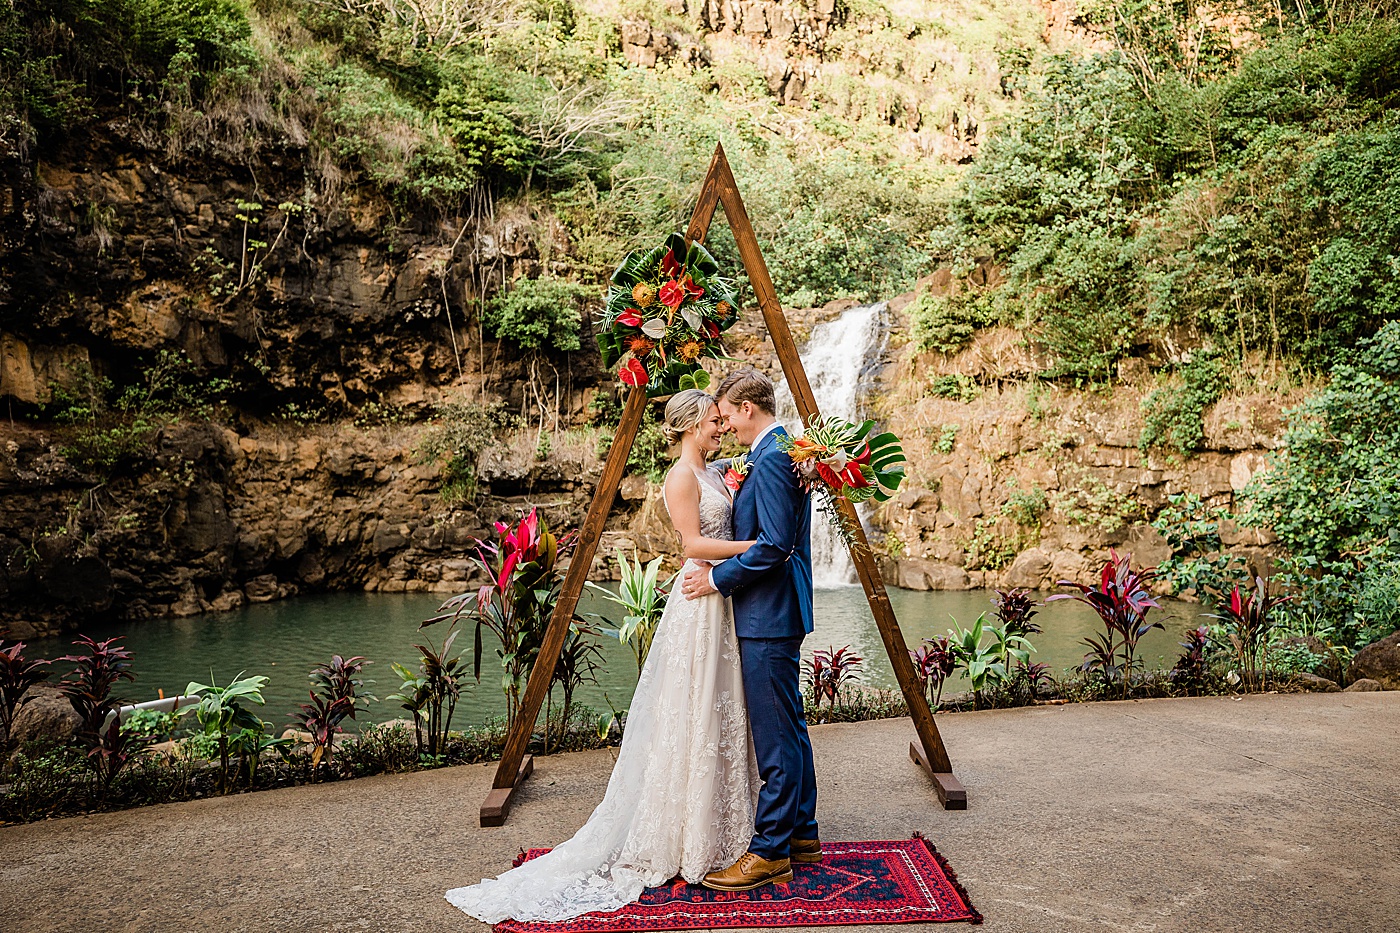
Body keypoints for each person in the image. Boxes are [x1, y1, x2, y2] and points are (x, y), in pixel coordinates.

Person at [445, 388, 761, 923]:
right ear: (688, 426)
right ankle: (686, 834)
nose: (720, 428)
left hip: (721, 596)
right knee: (696, 705)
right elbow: (691, 545)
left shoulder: (714, 471)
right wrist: (758, 549)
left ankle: (726, 822)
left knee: (720, 705)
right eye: (712, 421)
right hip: (700, 594)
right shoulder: (681, 477)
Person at [681, 367, 819, 892]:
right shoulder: (777, 452)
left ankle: (769, 851)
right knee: (790, 725)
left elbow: (775, 545)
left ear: (747, 409)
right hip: (777, 611)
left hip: (768, 614)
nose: (725, 426)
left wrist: (717, 579)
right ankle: (801, 832)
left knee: (774, 736)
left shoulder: (774, 457)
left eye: (727, 414)